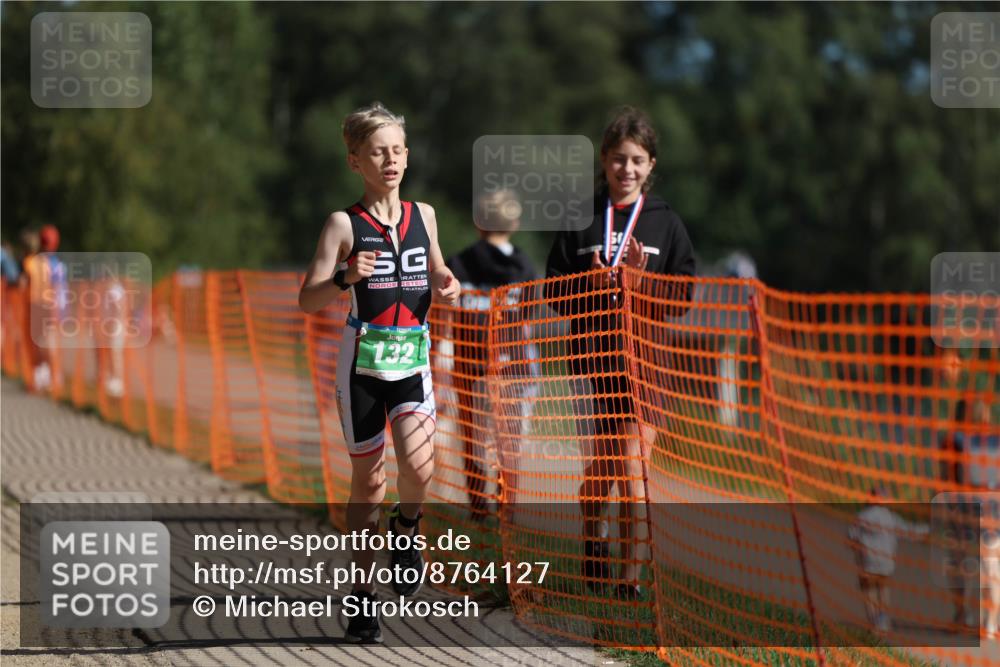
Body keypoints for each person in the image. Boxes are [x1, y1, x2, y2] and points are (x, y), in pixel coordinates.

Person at [298, 102, 459, 643]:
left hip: (412, 359)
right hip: (362, 364)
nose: (389, 160)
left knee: (420, 462)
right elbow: (307, 299)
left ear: (407, 156)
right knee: (368, 483)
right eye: (376, 152)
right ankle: (362, 599)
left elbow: (436, 266)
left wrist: (446, 281)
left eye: (396, 150)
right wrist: (345, 277)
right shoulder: (344, 224)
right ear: (355, 162)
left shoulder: (426, 215)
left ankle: (407, 529)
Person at [545, 106, 695, 600]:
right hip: (591, 362)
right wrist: (586, 283)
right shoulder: (581, 217)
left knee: (634, 469)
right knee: (601, 468)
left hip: (646, 365)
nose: (625, 170)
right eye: (616, 159)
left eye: (636, 160)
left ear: (651, 165)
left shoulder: (666, 223)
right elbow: (552, 293)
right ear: (604, 162)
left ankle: (629, 579)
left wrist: (643, 281)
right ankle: (594, 542)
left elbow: (683, 299)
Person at [446, 189, 538, 518]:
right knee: (509, 442)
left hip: (469, 365)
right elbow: (527, 322)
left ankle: (478, 507)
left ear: (478, 222)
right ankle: (506, 506)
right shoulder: (524, 265)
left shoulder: (458, 263)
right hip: (513, 366)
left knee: (473, 436)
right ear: (513, 222)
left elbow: (446, 314)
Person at [847, 486, 930, 634]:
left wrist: (856, 553)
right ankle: (883, 621)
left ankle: (873, 624)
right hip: (886, 563)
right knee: (883, 590)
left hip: (868, 562)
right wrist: (927, 530)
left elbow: (852, 537)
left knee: (869, 591)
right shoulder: (891, 517)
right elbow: (909, 531)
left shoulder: (862, 516)